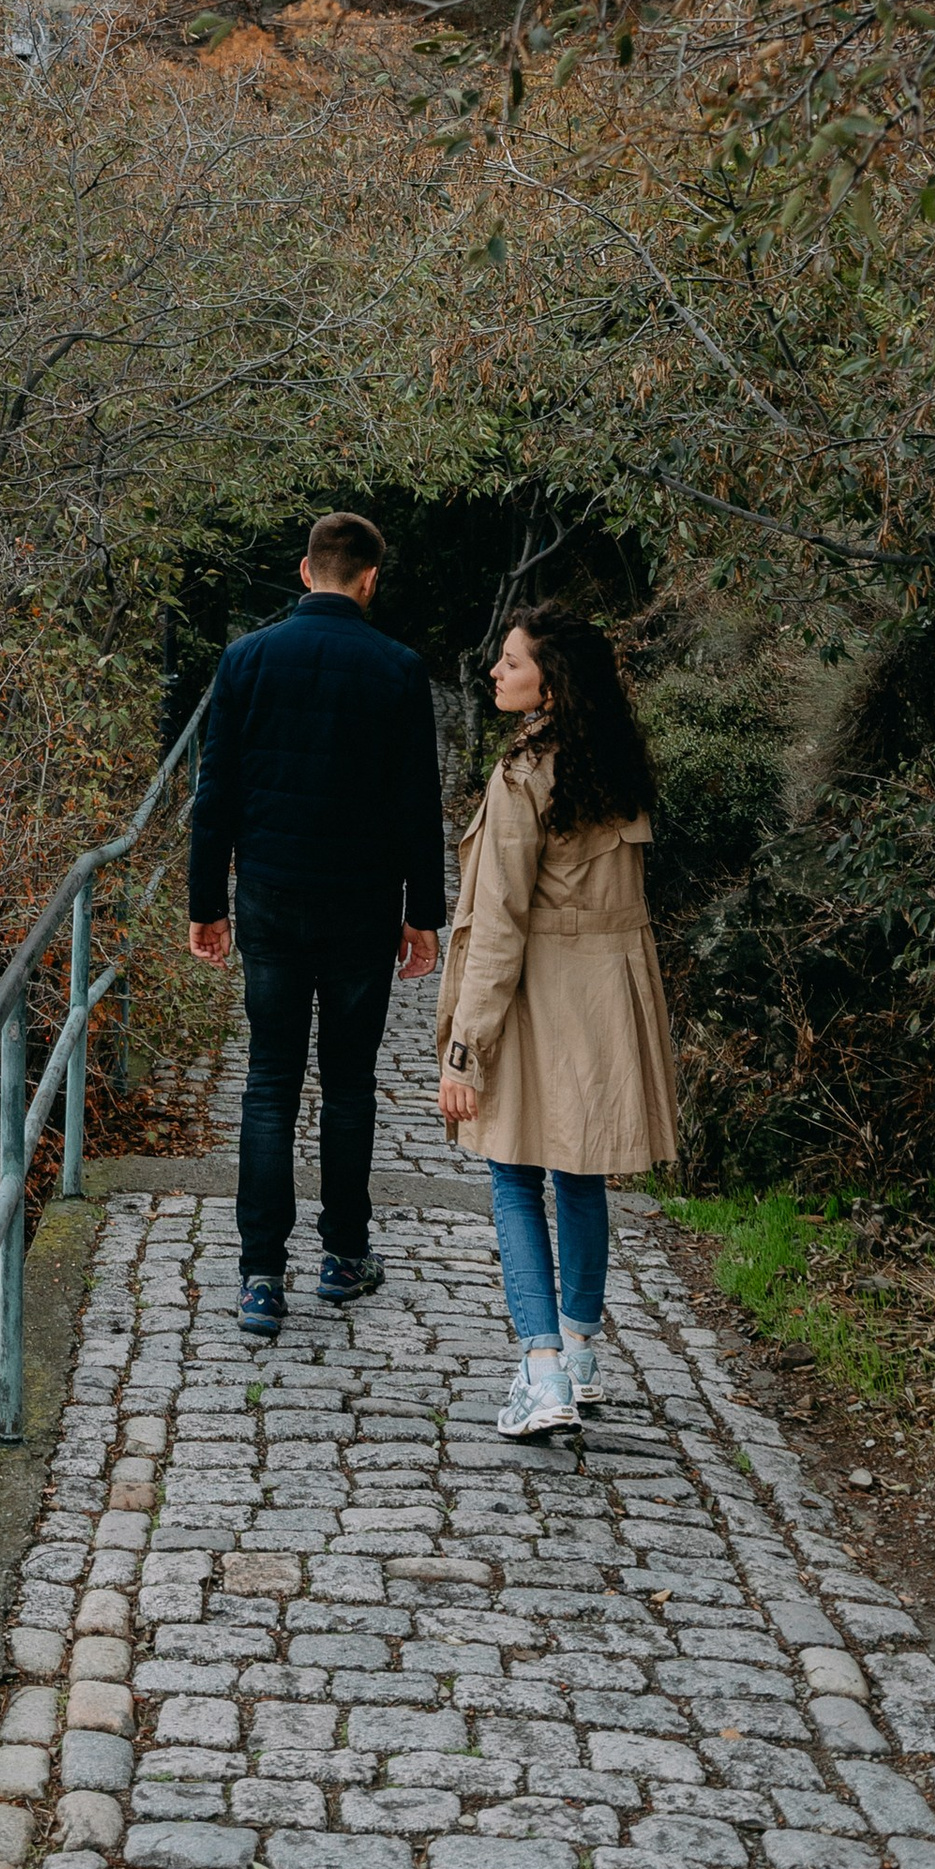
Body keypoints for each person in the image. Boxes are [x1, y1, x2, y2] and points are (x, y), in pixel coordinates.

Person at [187, 511, 446, 1343]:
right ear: (369, 578)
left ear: (306, 570)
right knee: (348, 1083)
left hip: (268, 893)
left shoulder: (245, 658)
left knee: (268, 1083)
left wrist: (206, 903)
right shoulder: (400, 669)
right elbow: (418, 803)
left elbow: (215, 791)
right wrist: (424, 916)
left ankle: (261, 1276)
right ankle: (343, 1255)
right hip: (363, 902)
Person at [435, 606, 679, 1435]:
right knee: (579, 1174)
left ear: (550, 678)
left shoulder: (524, 774)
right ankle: (579, 1350)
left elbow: (499, 925)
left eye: (511, 661)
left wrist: (465, 1050)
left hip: (542, 995)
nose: (495, 672)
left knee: (512, 1172)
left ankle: (542, 1375)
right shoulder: (614, 760)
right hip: (609, 992)